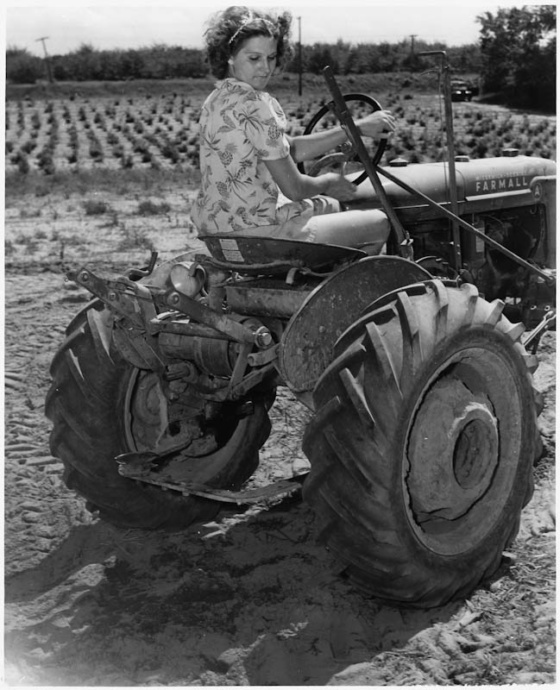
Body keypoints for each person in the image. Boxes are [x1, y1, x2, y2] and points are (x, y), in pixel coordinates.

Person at [191, 5, 396, 245]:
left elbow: (291, 148)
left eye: (271, 58)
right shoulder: (255, 104)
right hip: (261, 233)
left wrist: (355, 129)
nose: (265, 68)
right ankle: (327, 281)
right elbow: (295, 189)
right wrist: (328, 182)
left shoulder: (217, 99)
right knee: (379, 224)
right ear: (229, 56)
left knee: (330, 206)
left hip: (218, 229)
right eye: (254, 58)